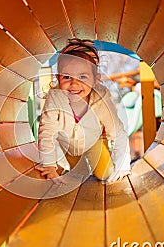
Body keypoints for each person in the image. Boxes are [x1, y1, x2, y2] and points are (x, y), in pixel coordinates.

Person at [36, 38, 131, 184]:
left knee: (106, 174)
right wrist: (49, 164)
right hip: (68, 145)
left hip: (95, 141)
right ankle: (78, 171)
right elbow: (46, 131)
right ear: (58, 78)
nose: (74, 83)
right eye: (67, 77)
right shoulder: (55, 98)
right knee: (77, 177)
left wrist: (123, 165)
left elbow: (117, 131)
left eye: (82, 77)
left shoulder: (101, 100)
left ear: (95, 80)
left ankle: (103, 162)